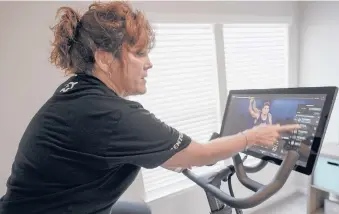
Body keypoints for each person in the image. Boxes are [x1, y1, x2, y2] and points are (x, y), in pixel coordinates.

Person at [0, 1, 300, 214]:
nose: (149, 62)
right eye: (139, 53)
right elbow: (201, 155)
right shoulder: (110, 114)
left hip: (29, 204)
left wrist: (170, 155)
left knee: (139, 210)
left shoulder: (78, 92)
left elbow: (102, 149)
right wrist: (252, 137)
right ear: (105, 58)